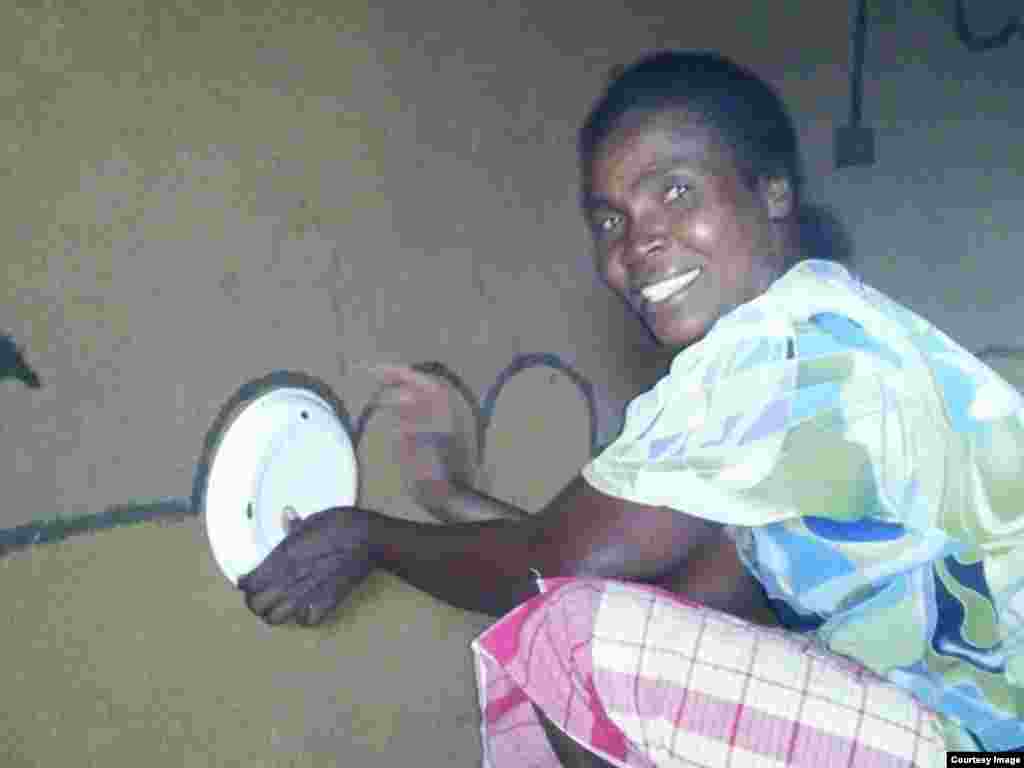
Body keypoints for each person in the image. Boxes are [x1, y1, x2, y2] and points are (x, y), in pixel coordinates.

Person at [237, 51, 1024, 762]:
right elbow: (669, 609)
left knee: (569, 644)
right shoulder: (814, 358)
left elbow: (558, 572)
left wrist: (370, 538)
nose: (637, 241)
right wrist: (448, 498)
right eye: (610, 219)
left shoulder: (780, 347)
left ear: (772, 190)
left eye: (675, 191)